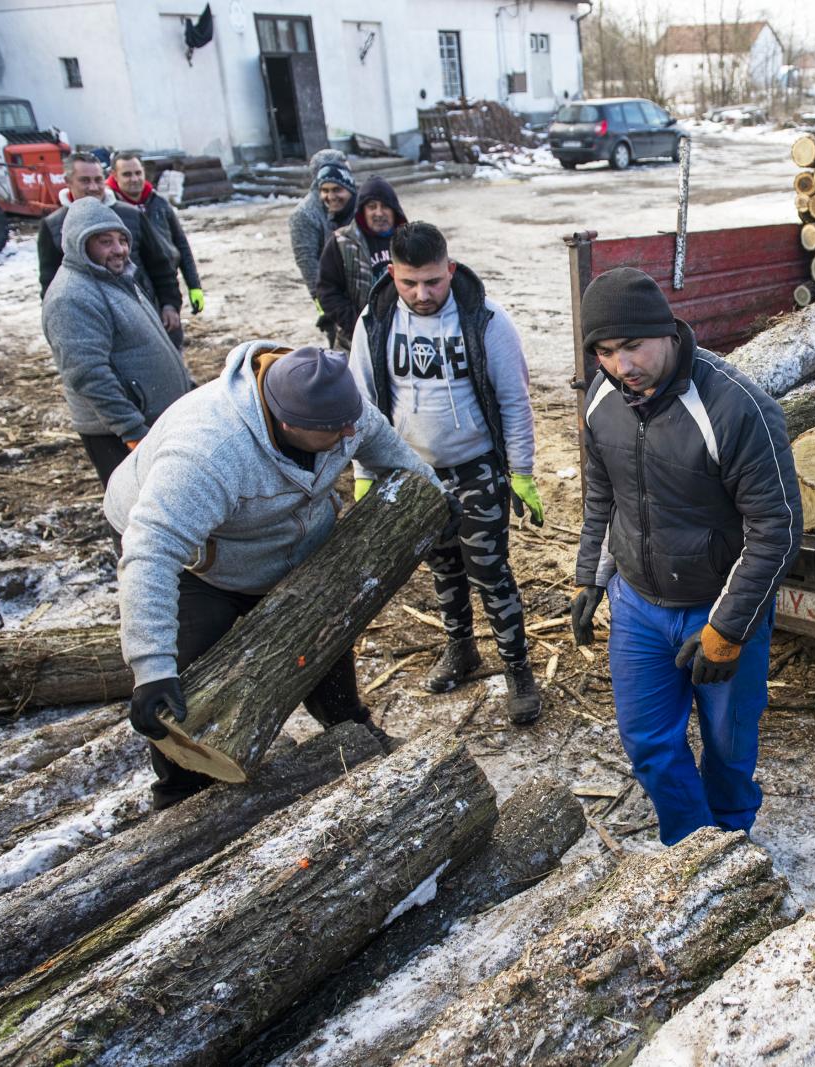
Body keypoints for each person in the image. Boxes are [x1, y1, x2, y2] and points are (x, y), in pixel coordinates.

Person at [104, 343, 450, 808]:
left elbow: (387, 448)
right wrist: (151, 668)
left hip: (286, 538)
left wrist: (436, 497)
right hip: (200, 559)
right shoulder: (209, 451)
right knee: (189, 675)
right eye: (337, 430)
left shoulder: (333, 404)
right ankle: (182, 793)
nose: (351, 432)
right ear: (290, 424)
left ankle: (351, 728)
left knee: (323, 639)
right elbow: (151, 552)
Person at [570, 267, 801, 846]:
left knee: (726, 747)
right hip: (638, 607)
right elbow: (604, 495)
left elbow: (778, 529)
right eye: (604, 351)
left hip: (716, 606)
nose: (621, 366)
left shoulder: (737, 408)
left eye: (632, 347)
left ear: (667, 333)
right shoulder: (602, 397)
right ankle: (693, 852)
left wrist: (729, 627)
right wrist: (590, 578)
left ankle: (731, 843)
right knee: (648, 743)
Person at [348, 222, 543, 723]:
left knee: (489, 571)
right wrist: (365, 472)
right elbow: (363, 403)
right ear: (392, 273)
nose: (422, 293)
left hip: (477, 467)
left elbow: (515, 400)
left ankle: (518, 668)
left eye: (433, 281)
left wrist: (520, 470)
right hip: (413, 472)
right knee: (443, 569)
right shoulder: (375, 319)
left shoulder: (485, 320)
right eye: (410, 282)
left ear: (450, 270)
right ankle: (461, 649)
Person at [42, 197, 193, 486]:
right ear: (79, 243)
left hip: (152, 420)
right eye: (105, 242)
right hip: (118, 433)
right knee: (134, 511)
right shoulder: (71, 297)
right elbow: (88, 375)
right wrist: (132, 431)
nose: (119, 250)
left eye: (122, 240)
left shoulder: (116, 278)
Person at [37, 153, 183, 347]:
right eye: (85, 181)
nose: (94, 187)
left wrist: (170, 303)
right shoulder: (54, 225)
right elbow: (50, 282)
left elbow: (160, 264)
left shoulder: (130, 215)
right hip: (97, 326)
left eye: (98, 180)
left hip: (145, 316)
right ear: (68, 181)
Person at [108, 151, 205, 319]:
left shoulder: (159, 204)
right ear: (114, 176)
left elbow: (181, 244)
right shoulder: (109, 210)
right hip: (131, 291)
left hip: (166, 286)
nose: (134, 179)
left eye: (138, 173)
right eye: (127, 174)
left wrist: (194, 286)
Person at [316, 176, 406, 350]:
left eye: (385, 206)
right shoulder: (341, 242)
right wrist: (359, 324)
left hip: (404, 337)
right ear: (362, 211)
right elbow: (326, 291)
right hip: (353, 342)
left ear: (395, 210)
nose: (379, 213)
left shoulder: (409, 240)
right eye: (372, 207)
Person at [289, 150, 356, 300]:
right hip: (334, 296)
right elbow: (307, 262)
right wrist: (324, 304)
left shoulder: (349, 199)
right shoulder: (304, 214)